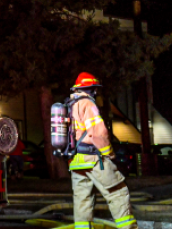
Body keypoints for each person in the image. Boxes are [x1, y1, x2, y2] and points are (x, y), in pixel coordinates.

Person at [67, 72, 136, 229]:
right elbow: (98, 133)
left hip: (77, 161)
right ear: (90, 89)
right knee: (118, 193)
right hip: (94, 159)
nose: (96, 92)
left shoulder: (69, 105)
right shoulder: (88, 105)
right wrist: (109, 153)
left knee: (82, 202)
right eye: (95, 89)